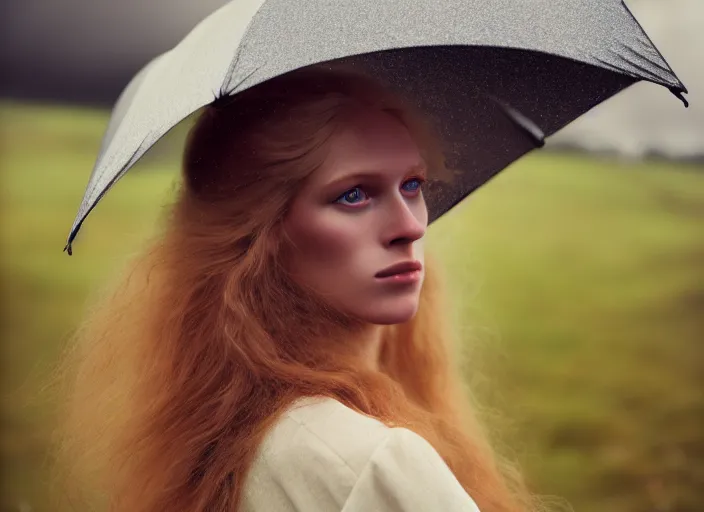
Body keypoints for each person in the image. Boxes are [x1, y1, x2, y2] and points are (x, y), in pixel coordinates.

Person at [52, 64, 545, 512]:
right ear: (259, 238)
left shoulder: (229, 429)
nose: (411, 226)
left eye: (413, 185)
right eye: (354, 194)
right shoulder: (370, 464)